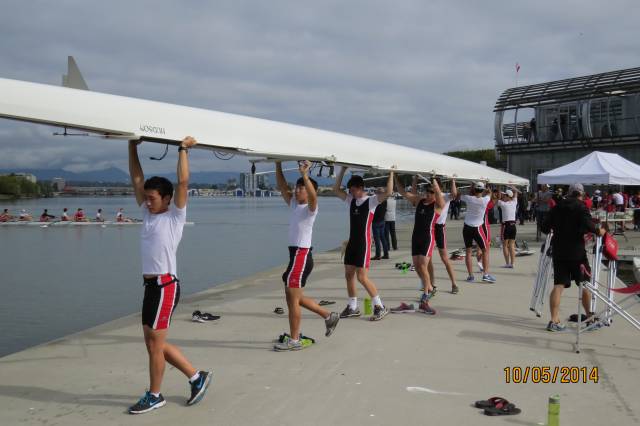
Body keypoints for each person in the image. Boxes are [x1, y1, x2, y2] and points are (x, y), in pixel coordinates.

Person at [127, 137, 211, 414]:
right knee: (154, 344)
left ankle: (155, 394)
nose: (148, 202)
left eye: (153, 198)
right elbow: (137, 178)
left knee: (155, 346)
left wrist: (183, 149)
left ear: (166, 199)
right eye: (147, 198)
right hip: (150, 286)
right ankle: (197, 377)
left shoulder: (175, 216)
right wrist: (132, 147)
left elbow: (183, 182)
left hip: (165, 286)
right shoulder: (147, 213)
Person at [273, 161, 340, 351]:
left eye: (301, 188)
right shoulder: (294, 204)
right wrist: (278, 163)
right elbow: (281, 185)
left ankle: (294, 340)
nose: (297, 191)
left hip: (302, 256)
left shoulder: (311, 208)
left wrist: (305, 175)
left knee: (293, 299)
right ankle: (328, 316)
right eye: (297, 188)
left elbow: (312, 195)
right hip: (294, 255)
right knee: (292, 297)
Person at [541, 183, 606, 331]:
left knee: (558, 285)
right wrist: (599, 231)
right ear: (581, 194)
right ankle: (590, 318)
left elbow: (544, 227)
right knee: (584, 284)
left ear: (569, 193)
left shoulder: (557, 206)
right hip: (577, 252)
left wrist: (557, 228)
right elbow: (589, 225)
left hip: (559, 250)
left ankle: (554, 321)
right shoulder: (581, 207)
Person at [333, 167, 394, 321]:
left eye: (354, 190)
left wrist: (391, 173)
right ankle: (353, 307)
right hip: (352, 243)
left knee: (362, 277)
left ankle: (380, 306)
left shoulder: (371, 201)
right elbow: (335, 189)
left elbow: (388, 192)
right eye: (350, 191)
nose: (351, 193)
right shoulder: (351, 200)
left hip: (363, 243)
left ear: (361, 188)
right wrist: (342, 170)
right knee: (348, 275)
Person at [395, 175, 445, 313]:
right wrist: (394, 175)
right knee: (417, 268)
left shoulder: (438, 205)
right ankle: (429, 288)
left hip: (427, 238)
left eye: (431, 192)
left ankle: (425, 297)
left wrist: (433, 179)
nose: (428, 194)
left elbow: (438, 195)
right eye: (427, 191)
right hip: (415, 237)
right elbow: (403, 192)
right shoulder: (419, 200)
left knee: (423, 265)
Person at [461, 182, 495, 283]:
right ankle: (485, 274)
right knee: (485, 250)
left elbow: (458, 195)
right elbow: (489, 193)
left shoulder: (468, 198)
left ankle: (471, 276)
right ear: (482, 190)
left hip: (467, 227)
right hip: (477, 228)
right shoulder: (485, 199)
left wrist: (471, 188)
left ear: (474, 190)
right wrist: (487, 189)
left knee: (468, 251)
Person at [498, 188, 519, 268]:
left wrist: (499, 187)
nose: (503, 197)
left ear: (507, 196)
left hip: (506, 226)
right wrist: (513, 187)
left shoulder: (503, 204)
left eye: (504, 196)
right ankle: (512, 263)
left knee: (505, 245)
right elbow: (516, 192)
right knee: (512, 245)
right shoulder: (514, 202)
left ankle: (507, 263)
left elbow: (498, 198)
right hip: (513, 226)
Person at [371, 190, 389, 260]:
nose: (375, 194)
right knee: (383, 238)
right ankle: (386, 254)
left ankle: (378, 255)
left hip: (376, 222)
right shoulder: (385, 201)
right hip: (382, 221)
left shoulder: (377, 201)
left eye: (376, 192)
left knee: (377, 239)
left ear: (379, 193)